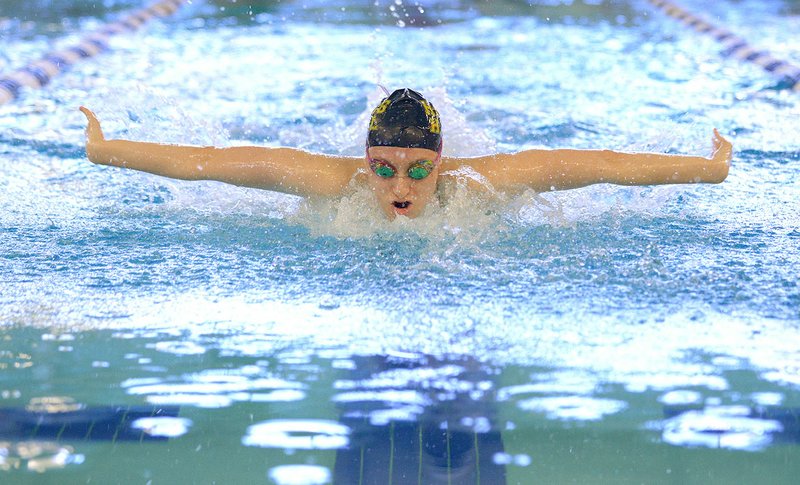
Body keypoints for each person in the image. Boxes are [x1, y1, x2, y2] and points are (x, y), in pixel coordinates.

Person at [80, 88, 732, 220]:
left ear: (441, 164)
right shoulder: (330, 183)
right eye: (383, 167)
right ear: (364, 163)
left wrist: (710, 171)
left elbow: (603, 166)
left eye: (418, 168)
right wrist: (105, 150)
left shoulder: (478, 186)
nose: (400, 184)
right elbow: (206, 162)